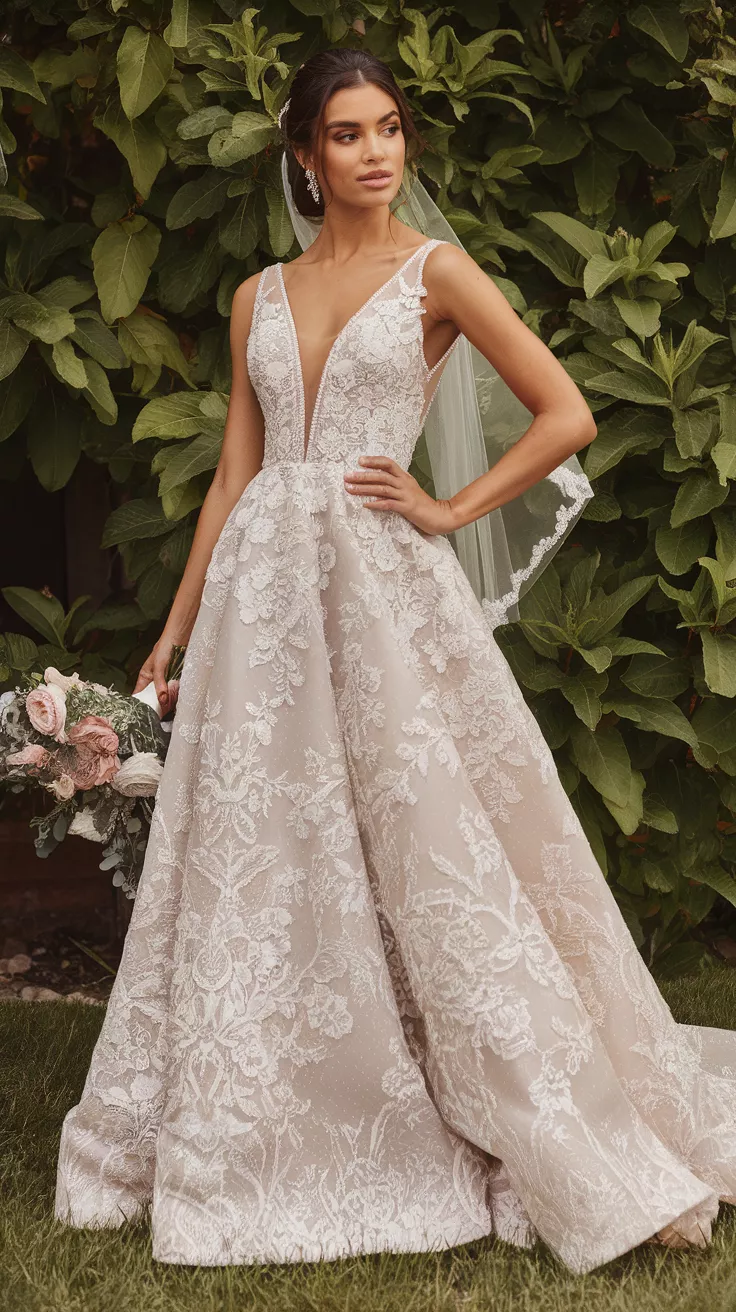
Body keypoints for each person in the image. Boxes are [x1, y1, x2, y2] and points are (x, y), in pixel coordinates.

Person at [55, 48, 736, 1275]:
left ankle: (504, 1085)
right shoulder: (256, 294)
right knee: (269, 839)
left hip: (380, 590)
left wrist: (447, 508)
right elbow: (233, 473)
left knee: (428, 833)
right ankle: (258, 1092)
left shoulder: (438, 273)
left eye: (390, 130)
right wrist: (173, 626)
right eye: (349, 134)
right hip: (264, 595)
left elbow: (567, 412)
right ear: (305, 157)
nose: (377, 153)